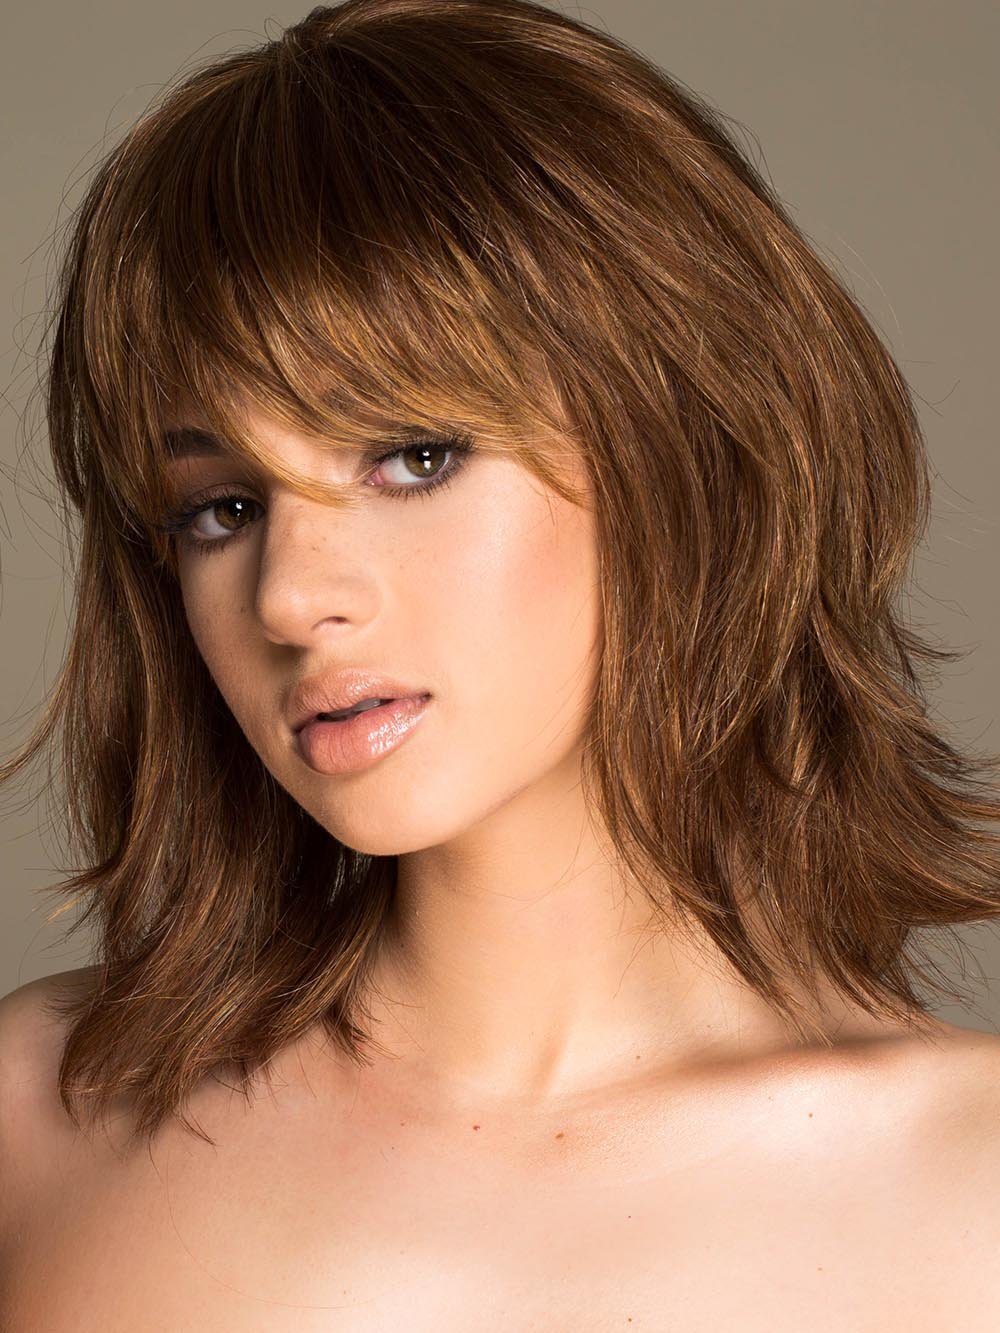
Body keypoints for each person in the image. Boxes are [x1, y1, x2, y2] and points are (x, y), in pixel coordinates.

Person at [2, 0, 999, 1325]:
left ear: (681, 453)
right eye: (222, 508)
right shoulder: (37, 1116)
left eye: (415, 456)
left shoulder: (971, 1192)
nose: (291, 596)